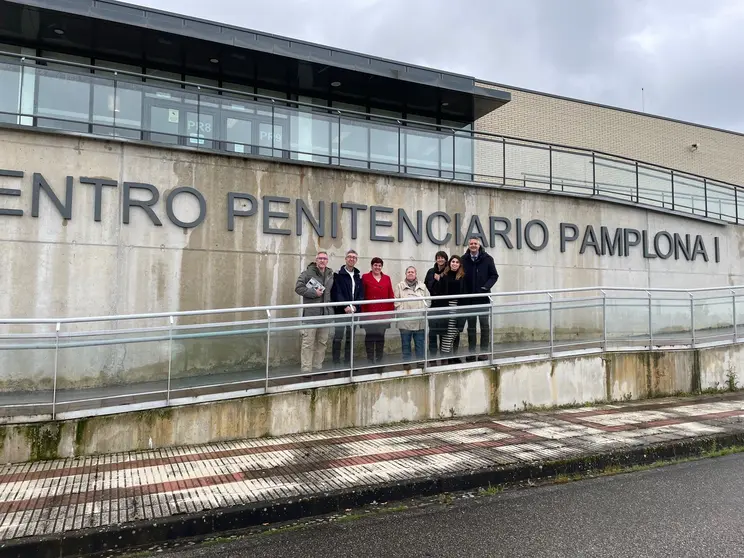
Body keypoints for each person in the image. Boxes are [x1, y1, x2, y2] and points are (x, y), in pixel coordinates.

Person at [294, 251, 335, 374]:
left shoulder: (330, 274)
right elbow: (298, 288)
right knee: (308, 343)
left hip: (325, 314)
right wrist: (313, 293)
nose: (322, 260)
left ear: (327, 261)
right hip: (311, 314)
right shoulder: (307, 273)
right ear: (316, 260)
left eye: (324, 258)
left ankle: (318, 367)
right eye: (320, 258)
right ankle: (306, 369)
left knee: (322, 342)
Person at [461, 238, 499, 361]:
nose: (473, 245)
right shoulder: (463, 259)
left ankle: (483, 352)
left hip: (483, 298)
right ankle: (471, 353)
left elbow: (494, 275)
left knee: (484, 326)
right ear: (468, 245)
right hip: (469, 299)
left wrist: (485, 287)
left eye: (475, 244)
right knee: (471, 327)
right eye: (471, 244)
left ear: (479, 245)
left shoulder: (488, 259)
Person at [330, 249, 364, 366]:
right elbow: (336, 292)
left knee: (350, 338)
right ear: (345, 259)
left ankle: (348, 362)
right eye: (349, 257)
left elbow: (360, 294)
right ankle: (336, 362)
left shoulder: (357, 276)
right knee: (338, 337)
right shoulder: (338, 275)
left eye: (354, 257)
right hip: (341, 311)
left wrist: (355, 306)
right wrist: (346, 306)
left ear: (356, 260)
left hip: (353, 312)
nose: (351, 259)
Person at [360, 257, 395, 366]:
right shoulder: (365, 277)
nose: (377, 267)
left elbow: (391, 295)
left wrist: (390, 313)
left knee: (381, 337)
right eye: (375, 265)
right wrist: (362, 313)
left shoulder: (387, 278)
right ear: (372, 266)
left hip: (383, 313)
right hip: (369, 312)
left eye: (379, 265)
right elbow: (362, 295)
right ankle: (370, 359)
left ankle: (379, 359)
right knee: (370, 337)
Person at [394, 266, 430, 369]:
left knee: (420, 344)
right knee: (406, 344)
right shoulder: (399, 286)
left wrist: (422, 310)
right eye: (408, 272)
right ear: (406, 274)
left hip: (419, 321)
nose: (410, 273)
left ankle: (421, 363)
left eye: (412, 272)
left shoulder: (422, 286)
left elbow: (429, 300)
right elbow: (396, 302)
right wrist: (404, 311)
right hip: (405, 321)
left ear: (416, 274)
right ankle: (406, 364)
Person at [439, 255, 467, 364]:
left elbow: (465, 293)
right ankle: (445, 356)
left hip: (458, 307)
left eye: (456, 262)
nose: (454, 263)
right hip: (447, 306)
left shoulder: (462, 277)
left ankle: (449, 355)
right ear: (449, 263)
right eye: (452, 261)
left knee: (454, 331)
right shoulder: (444, 276)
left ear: (459, 264)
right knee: (447, 332)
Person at [424, 251, 449, 360]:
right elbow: (426, 285)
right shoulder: (431, 271)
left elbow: (449, 286)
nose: (440, 260)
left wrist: (440, 279)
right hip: (433, 305)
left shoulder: (449, 272)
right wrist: (434, 280)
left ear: (445, 259)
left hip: (445, 305)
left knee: (444, 332)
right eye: (438, 258)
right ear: (436, 259)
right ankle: (433, 356)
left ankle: (444, 357)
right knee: (433, 332)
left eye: (442, 258)